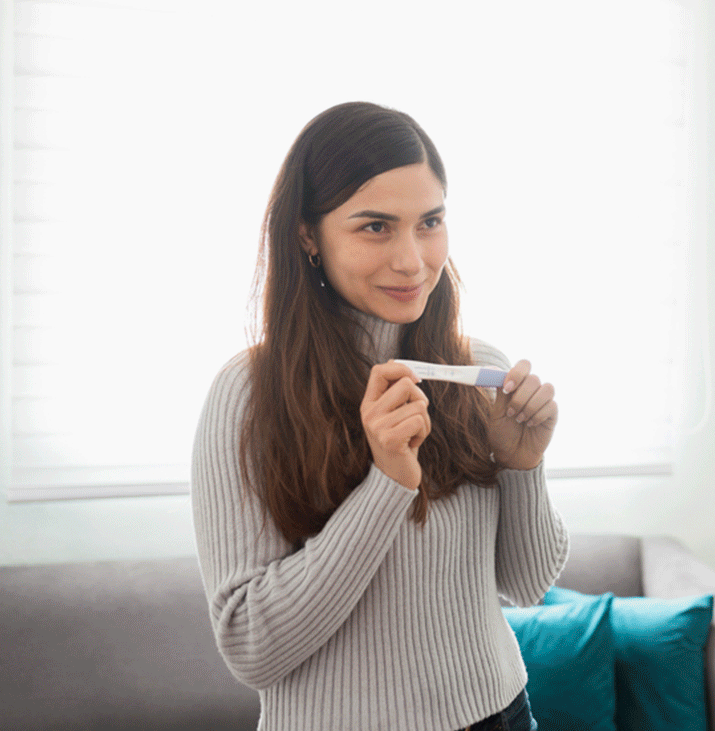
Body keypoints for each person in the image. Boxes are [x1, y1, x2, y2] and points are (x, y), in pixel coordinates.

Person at [191, 101, 566, 731]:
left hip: (500, 714)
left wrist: (522, 465)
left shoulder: (479, 372)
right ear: (308, 235)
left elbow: (526, 585)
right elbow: (251, 646)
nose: (413, 260)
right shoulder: (248, 396)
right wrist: (386, 485)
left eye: (430, 222)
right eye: (375, 227)